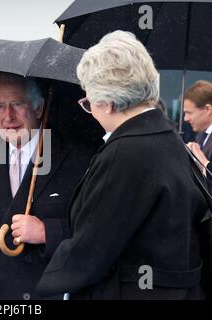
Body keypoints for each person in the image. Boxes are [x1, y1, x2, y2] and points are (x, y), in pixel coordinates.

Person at [36, 31, 210, 300]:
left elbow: (92, 248)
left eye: (89, 101)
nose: (90, 110)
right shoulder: (169, 140)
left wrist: (40, 284)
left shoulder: (126, 152)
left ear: (109, 102)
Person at [0, 72, 92, 300]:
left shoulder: (77, 160)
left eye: (17, 104)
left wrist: (48, 232)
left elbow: (93, 232)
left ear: (38, 109)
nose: (8, 116)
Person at [183, 80, 212, 159]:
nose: (185, 118)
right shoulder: (200, 136)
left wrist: (201, 160)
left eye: (189, 113)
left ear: (207, 109)